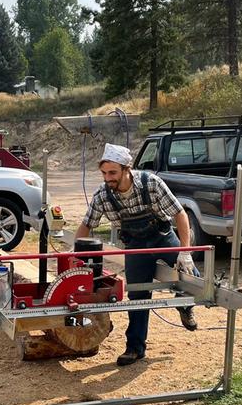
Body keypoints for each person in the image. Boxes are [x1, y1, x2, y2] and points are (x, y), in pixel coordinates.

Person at [75, 143, 198, 366]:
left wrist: (184, 251)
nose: (107, 178)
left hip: (162, 238)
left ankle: (185, 305)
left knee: (193, 277)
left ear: (126, 169)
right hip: (136, 246)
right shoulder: (103, 195)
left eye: (112, 173)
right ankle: (135, 348)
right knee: (137, 297)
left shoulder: (150, 183)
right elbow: (86, 226)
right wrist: (76, 257)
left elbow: (180, 214)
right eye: (104, 173)